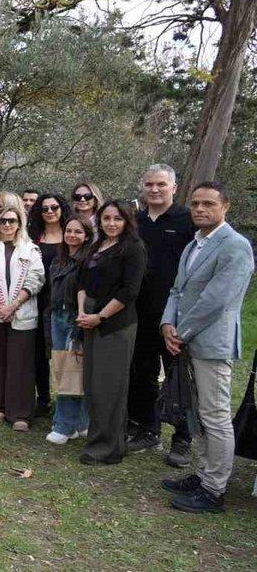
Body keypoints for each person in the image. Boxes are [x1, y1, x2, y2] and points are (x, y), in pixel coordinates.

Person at [159, 182, 254, 513]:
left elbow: (216, 300)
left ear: (225, 206)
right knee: (198, 413)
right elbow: (177, 290)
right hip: (185, 339)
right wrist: (167, 325)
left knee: (215, 416)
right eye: (196, 203)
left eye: (209, 204)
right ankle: (203, 475)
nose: (200, 209)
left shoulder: (235, 246)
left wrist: (180, 332)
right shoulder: (193, 244)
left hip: (212, 344)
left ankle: (214, 490)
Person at [129, 164, 195, 464]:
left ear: (174, 187)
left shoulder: (187, 220)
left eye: (161, 185)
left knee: (178, 377)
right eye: (149, 184)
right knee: (143, 373)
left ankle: (182, 438)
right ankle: (148, 429)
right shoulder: (136, 221)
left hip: (175, 315)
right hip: (139, 312)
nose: (154, 190)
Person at [77, 200, 147, 466]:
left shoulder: (133, 249)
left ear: (127, 221)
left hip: (115, 325)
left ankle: (108, 449)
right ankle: (98, 440)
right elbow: (82, 281)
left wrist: (100, 316)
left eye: (117, 219)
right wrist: (84, 312)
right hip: (90, 320)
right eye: (106, 218)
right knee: (94, 385)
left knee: (110, 387)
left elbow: (130, 291)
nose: (111, 223)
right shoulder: (97, 246)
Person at [0, 199, 45, 431]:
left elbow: (36, 279)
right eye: (2, 220)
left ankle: (20, 412)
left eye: (12, 220)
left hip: (22, 313)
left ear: (19, 223)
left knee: (20, 363)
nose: (7, 224)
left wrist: (13, 305)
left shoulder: (31, 249)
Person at [45, 216, 92, 445]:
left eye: (78, 232)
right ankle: (78, 422)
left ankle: (65, 425)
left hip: (75, 318)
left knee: (71, 371)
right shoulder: (59, 259)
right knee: (65, 369)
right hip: (57, 316)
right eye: (69, 231)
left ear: (88, 235)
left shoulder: (88, 260)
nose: (72, 235)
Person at [28, 194, 69, 415]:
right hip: (36, 299)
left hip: (64, 303)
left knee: (64, 352)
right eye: (45, 209)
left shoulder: (72, 233)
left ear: (62, 209)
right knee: (38, 353)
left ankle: (67, 403)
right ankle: (42, 399)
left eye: (54, 207)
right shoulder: (33, 237)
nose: (50, 211)